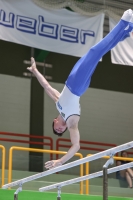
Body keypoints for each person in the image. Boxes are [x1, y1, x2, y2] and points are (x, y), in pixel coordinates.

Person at [27, 9, 133, 170]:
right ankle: (125, 22)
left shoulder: (58, 104)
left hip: (73, 79)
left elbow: (46, 86)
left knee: (97, 53)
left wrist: (35, 71)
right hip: (77, 86)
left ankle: (126, 31)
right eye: (60, 131)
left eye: (57, 128)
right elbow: (76, 146)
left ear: (55, 121)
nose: (60, 129)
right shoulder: (71, 123)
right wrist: (60, 161)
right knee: (95, 52)